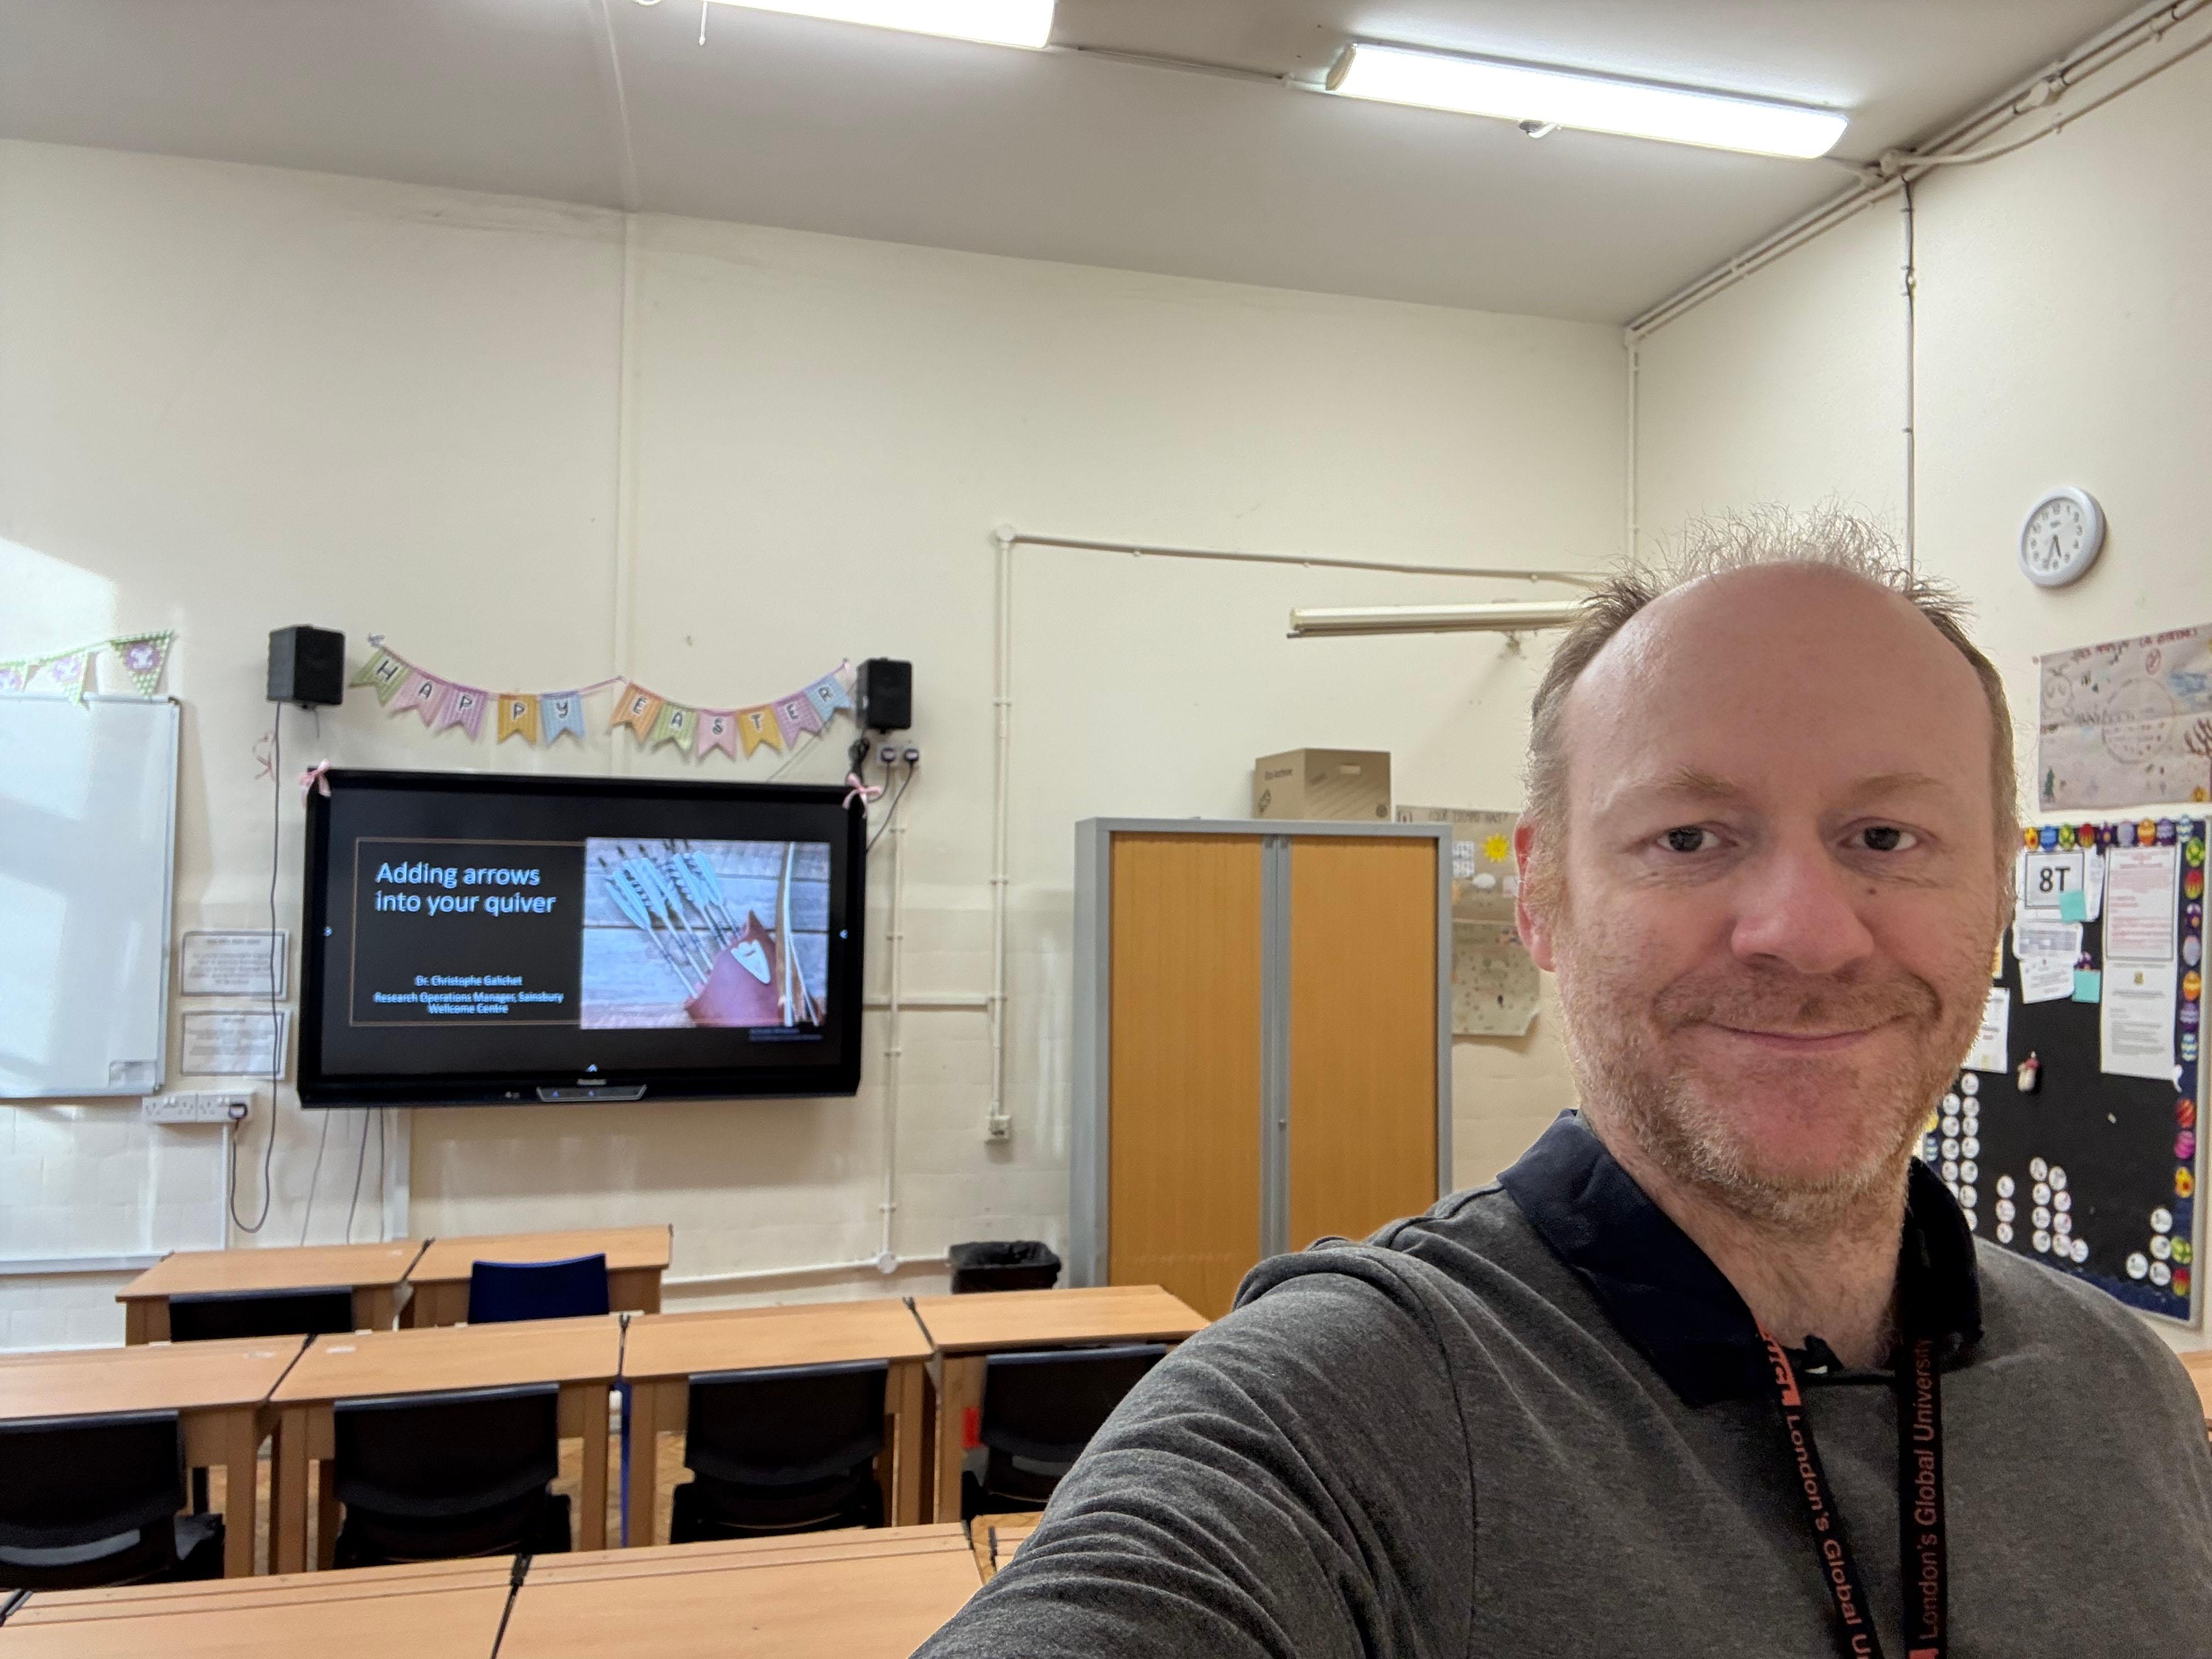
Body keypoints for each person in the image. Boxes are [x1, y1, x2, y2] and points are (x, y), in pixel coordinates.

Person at [918, 510, 2212, 1658]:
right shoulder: (1339, 1419)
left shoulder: (2127, 1392)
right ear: (1543, 897)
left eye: (1887, 837)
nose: (1808, 932)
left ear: (1998, 889)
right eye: (1691, 837)